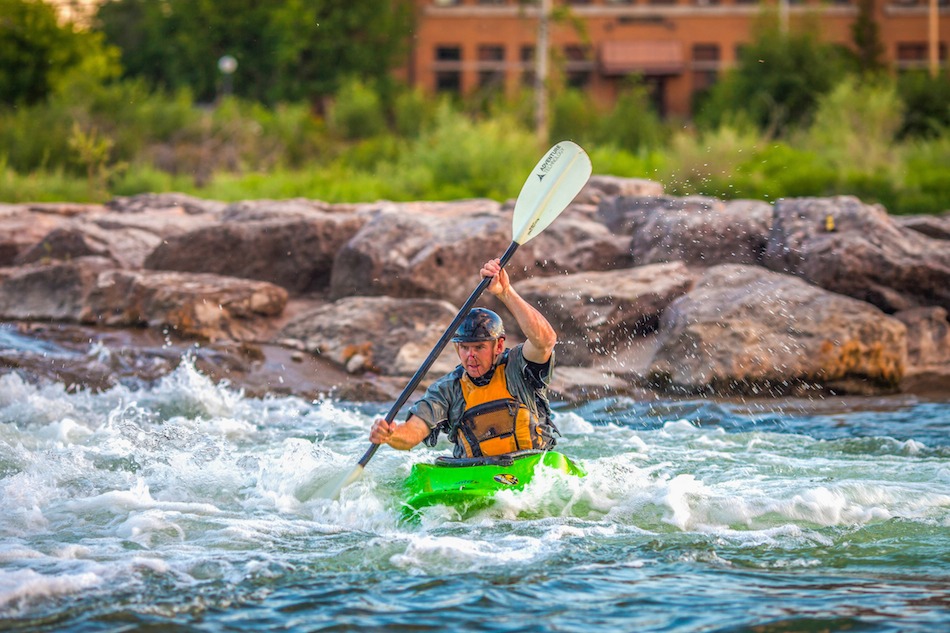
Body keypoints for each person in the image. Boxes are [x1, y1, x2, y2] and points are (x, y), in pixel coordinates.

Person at [369, 258, 559, 459]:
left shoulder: (518, 368)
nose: (471, 355)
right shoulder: (448, 389)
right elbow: (414, 430)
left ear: (499, 345)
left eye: (479, 347)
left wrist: (505, 292)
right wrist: (391, 435)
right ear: (456, 347)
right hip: (474, 475)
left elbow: (545, 341)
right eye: (465, 348)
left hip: (534, 469)